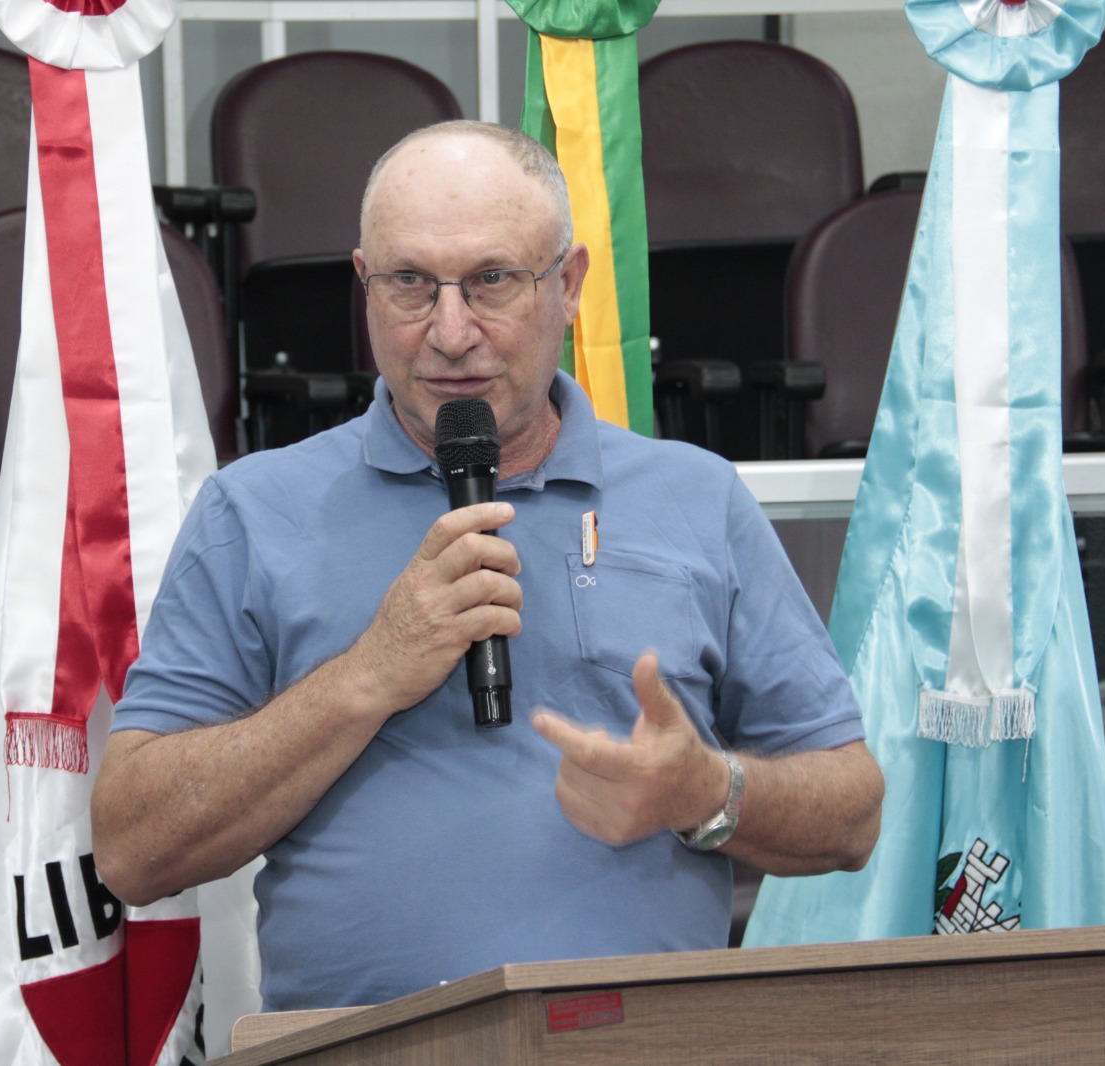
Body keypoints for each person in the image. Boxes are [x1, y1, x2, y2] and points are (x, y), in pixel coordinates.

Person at [91, 120, 883, 1011]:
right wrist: (367, 675)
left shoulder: (697, 498)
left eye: (492, 280)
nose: (451, 331)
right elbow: (131, 849)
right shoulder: (253, 510)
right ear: (364, 285)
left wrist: (707, 790)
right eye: (410, 283)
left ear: (568, 284)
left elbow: (852, 811)